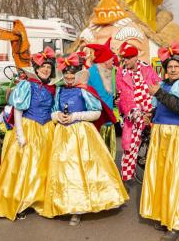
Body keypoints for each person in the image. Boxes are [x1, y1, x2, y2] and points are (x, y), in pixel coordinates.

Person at [43, 52, 128, 225]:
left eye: (72, 73)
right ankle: (63, 204)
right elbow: (51, 112)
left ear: (78, 73)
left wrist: (74, 116)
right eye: (66, 73)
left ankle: (78, 209)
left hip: (81, 135)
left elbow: (96, 112)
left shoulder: (85, 90)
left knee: (80, 170)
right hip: (62, 135)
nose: (68, 76)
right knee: (64, 171)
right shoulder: (58, 91)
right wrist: (57, 115)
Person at [140, 42, 179, 241]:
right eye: (170, 67)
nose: (173, 69)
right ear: (166, 69)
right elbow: (157, 106)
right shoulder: (163, 84)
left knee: (177, 177)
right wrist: (149, 114)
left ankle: (177, 222)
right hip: (161, 135)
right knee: (162, 176)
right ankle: (164, 214)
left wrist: (158, 93)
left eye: (177, 66)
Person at [0, 47, 56, 220]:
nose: (45, 70)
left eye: (48, 67)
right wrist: (21, 135)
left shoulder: (53, 88)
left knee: (42, 168)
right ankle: (20, 202)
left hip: (47, 130)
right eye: (42, 67)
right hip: (29, 128)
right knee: (25, 168)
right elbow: (18, 110)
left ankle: (38, 200)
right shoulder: (26, 85)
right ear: (36, 69)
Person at [115, 41, 161, 186]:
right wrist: (136, 113)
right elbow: (124, 96)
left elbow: (158, 85)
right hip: (134, 111)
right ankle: (126, 178)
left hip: (151, 110)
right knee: (129, 146)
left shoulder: (147, 69)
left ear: (135, 57)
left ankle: (159, 171)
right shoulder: (121, 73)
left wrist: (153, 108)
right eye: (124, 59)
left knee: (160, 140)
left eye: (128, 58)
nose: (125, 61)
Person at [85, 38, 118, 159]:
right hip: (96, 122)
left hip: (109, 122)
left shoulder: (110, 73)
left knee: (109, 154)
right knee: (97, 155)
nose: (114, 61)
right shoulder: (90, 73)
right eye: (111, 59)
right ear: (104, 61)